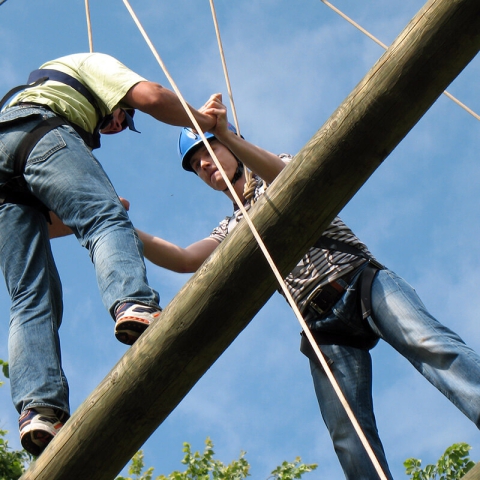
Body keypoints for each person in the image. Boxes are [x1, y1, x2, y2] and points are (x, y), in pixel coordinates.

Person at [134, 93, 480, 480]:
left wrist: (225, 135)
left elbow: (287, 179)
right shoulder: (231, 228)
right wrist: (119, 223)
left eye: (208, 151)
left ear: (230, 142)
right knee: (347, 431)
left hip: (358, 280)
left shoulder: (274, 167)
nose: (204, 165)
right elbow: (185, 259)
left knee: (432, 346)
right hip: (321, 325)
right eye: (197, 166)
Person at [0, 52, 215, 456]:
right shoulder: (87, 64)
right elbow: (151, 96)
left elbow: (54, 224)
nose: (120, 123)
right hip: (39, 130)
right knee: (107, 221)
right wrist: (202, 122)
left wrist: (85, 202)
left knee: (31, 294)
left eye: (125, 125)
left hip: (5, 164)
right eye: (123, 114)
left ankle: (40, 410)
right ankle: (133, 304)